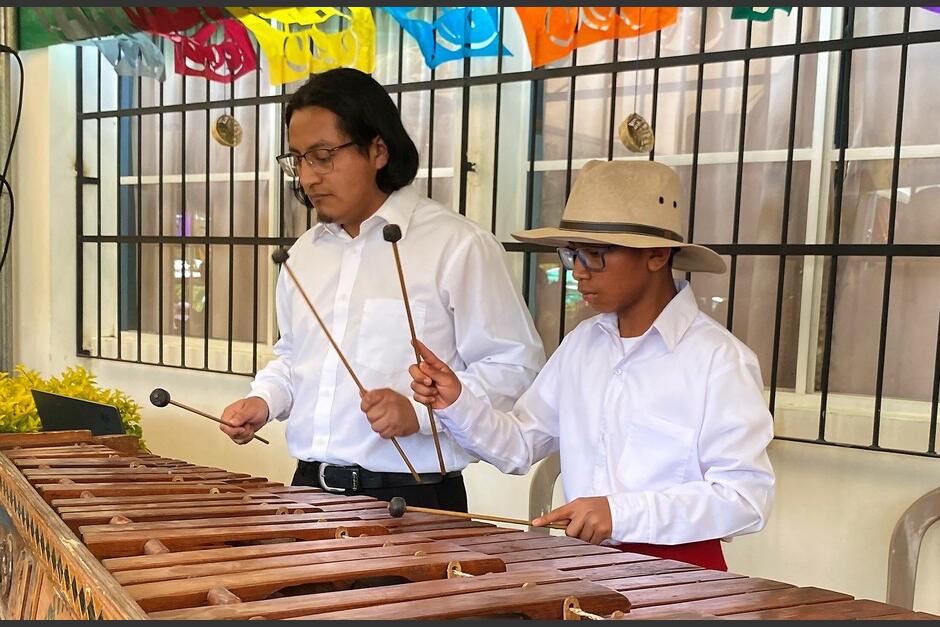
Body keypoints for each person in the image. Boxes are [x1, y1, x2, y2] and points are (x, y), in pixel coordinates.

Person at [408, 159, 775, 570]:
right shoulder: (582, 345)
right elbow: (521, 444)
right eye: (573, 254)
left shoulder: (719, 360)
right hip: (586, 570)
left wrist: (620, 513)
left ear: (656, 254)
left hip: (682, 577)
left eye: (595, 255)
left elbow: (746, 498)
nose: (579, 272)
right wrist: (457, 402)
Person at [219, 68, 546, 512]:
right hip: (307, 492)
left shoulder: (456, 245)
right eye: (297, 159)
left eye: (322, 156)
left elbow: (513, 367)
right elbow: (295, 356)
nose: (308, 177)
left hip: (412, 499)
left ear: (378, 150)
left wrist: (421, 413)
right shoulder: (304, 254)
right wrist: (265, 399)